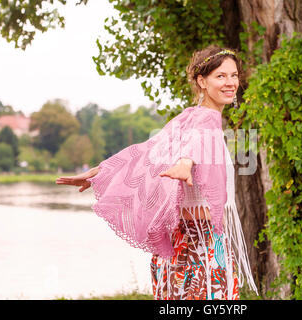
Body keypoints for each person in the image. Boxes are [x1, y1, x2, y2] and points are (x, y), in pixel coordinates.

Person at [56, 45, 257, 300]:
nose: (230, 83)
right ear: (201, 81)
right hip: (200, 243)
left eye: (234, 75)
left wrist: (99, 171)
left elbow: (146, 154)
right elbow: (188, 148)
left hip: (179, 241)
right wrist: (185, 163)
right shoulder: (207, 119)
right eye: (221, 76)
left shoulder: (186, 118)